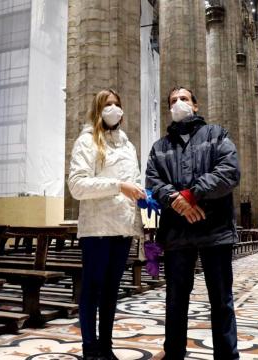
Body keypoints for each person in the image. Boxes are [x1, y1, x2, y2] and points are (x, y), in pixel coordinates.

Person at [146, 87, 241, 360]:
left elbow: (229, 171)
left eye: (184, 99)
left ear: (196, 105)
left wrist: (192, 194)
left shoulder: (217, 134)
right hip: (177, 233)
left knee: (221, 300)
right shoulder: (159, 147)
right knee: (175, 300)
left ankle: (227, 356)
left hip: (216, 230)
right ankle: (173, 354)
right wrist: (179, 201)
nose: (179, 103)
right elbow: (153, 182)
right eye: (173, 101)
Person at [68, 89, 146, 360]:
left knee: (112, 291)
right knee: (92, 289)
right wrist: (118, 186)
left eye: (117, 104)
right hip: (97, 229)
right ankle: (90, 348)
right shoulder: (87, 141)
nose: (113, 108)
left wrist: (140, 196)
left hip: (122, 228)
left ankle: (106, 347)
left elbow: (132, 182)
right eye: (107, 104)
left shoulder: (128, 144)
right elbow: (77, 185)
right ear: (98, 109)